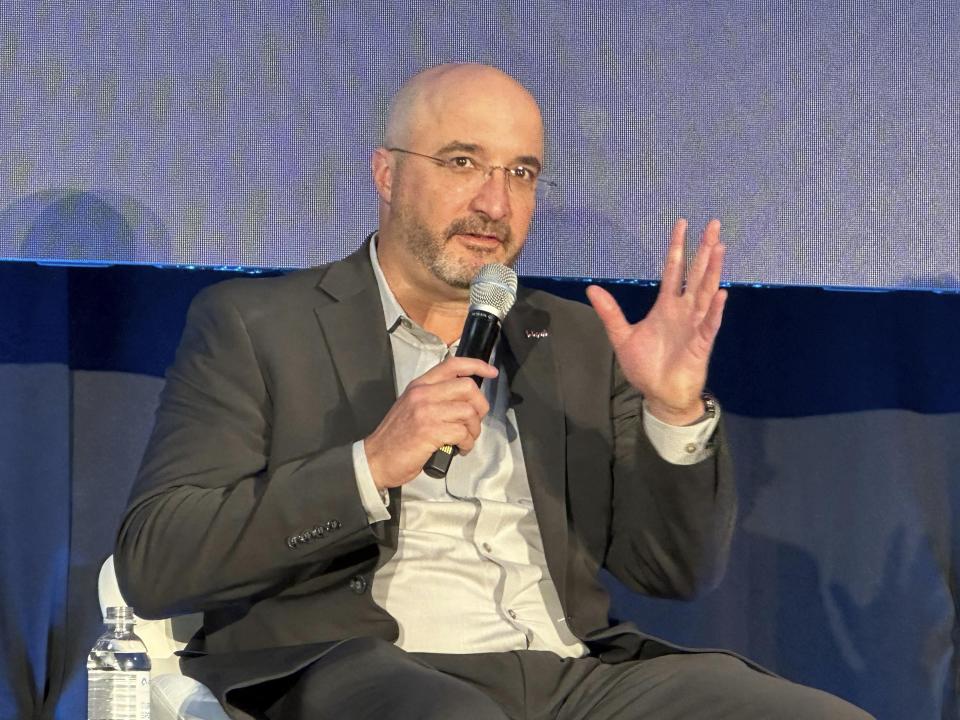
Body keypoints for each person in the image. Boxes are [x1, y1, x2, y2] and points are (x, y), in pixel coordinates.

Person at [114, 63, 872, 719]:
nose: (495, 204)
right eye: (462, 162)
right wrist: (370, 465)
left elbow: (673, 572)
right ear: (386, 173)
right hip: (369, 670)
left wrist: (672, 414)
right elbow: (157, 562)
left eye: (521, 173)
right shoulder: (257, 325)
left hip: (574, 677)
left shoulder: (572, 339)